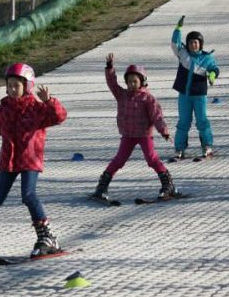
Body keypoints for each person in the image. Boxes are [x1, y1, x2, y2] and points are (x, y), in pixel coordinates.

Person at [0, 63, 67, 261]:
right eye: (9, 85)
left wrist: (49, 102)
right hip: (9, 161)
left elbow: (59, 116)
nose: (12, 90)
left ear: (27, 86)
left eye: (17, 86)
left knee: (28, 195)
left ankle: (47, 238)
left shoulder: (37, 108)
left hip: (30, 159)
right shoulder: (3, 110)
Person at [92, 53, 177, 202]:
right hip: (128, 135)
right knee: (119, 160)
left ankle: (168, 185)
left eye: (134, 81)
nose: (131, 84)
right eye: (129, 81)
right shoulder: (122, 95)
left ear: (142, 81)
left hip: (144, 134)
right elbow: (112, 84)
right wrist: (110, 68)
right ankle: (102, 187)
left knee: (151, 159)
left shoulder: (148, 98)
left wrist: (164, 131)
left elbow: (157, 116)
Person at [169, 16, 220, 161]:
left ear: (200, 44)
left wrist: (212, 76)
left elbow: (215, 69)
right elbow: (175, 43)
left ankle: (207, 146)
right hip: (184, 95)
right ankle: (179, 148)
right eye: (191, 42)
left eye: (196, 42)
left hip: (199, 95)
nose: (193, 45)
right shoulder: (183, 54)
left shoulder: (206, 58)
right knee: (183, 122)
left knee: (202, 121)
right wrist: (178, 29)